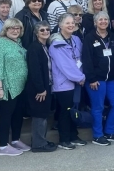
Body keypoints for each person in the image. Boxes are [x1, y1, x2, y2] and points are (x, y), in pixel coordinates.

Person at [81, 11, 114, 146]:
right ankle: (97, 135)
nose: (103, 22)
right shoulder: (89, 38)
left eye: (105, 19)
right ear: (95, 22)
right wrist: (92, 78)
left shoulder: (113, 37)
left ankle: (110, 132)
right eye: (100, 20)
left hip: (112, 79)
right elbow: (86, 59)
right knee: (98, 107)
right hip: (96, 80)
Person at [0, 18, 31, 156]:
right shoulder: (0, 43)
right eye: (11, 28)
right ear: (5, 30)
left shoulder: (18, 42)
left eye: (17, 28)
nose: (15, 31)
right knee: (6, 115)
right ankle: (3, 146)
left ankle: (15, 140)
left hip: (21, 86)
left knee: (18, 114)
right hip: (8, 86)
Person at [49, 13, 87, 150]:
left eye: (72, 23)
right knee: (65, 111)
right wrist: (80, 77)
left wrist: (80, 75)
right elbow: (65, 65)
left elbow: (81, 57)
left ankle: (73, 135)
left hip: (77, 80)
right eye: (67, 23)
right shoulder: (56, 44)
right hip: (63, 83)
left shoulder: (76, 39)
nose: (71, 25)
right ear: (60, 25)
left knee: (73, 110)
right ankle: (64, 139)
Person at [25, 21, 57, 153]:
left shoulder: (46, 46)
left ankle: (41, 140)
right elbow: (35, 70)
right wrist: (40, 89)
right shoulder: (34, 48)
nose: (45, 32)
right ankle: (38, 144)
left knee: (44, 115)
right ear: (36, 33)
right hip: (39, 89)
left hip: (47, 86)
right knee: (39, 116)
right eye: (42, 30)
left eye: (47, 30)